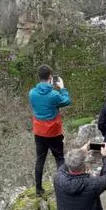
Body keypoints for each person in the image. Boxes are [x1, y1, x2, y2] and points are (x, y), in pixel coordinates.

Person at [29, 65, 71, 196]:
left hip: (39, 132)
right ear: (50, 77)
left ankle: (38, 189)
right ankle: (63, 187)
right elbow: (67, 101)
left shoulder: (31, 93)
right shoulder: (54, 95)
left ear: (39, 77)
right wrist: (62, 88)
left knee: (40, 159)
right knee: (59, 158)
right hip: (54, 132)